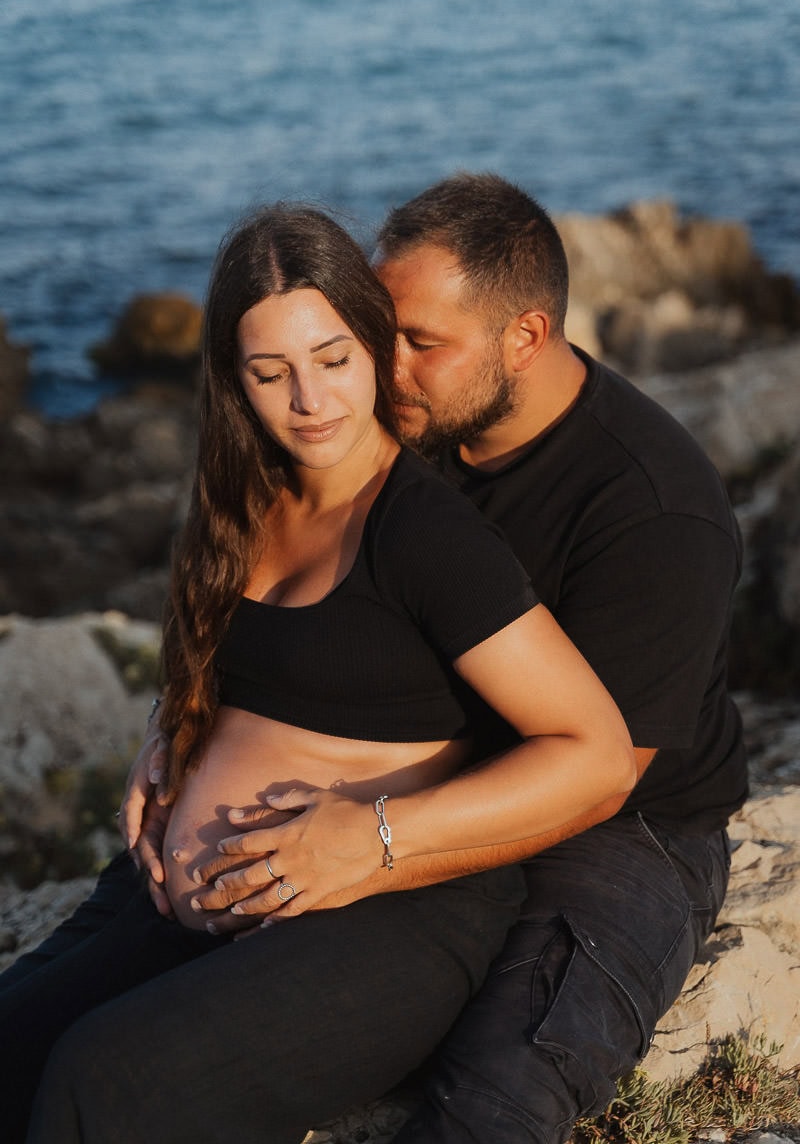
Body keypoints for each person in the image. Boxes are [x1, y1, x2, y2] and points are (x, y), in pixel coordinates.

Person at [0, 202, 635, 1143]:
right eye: (271, 373)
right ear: (234, 379)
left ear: (373, 347)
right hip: (176, 905)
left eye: (333, 359)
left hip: (387, 921)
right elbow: (241, 667)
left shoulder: (426, 537)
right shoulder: (236, 501)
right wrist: (170, 734)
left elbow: (597, 756)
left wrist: (372, 836)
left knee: (103, 1081)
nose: (311, 400)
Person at [160, 175, 748, 1144]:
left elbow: (599, 779)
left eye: (422, 344)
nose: (385, 370)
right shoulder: (411, 428)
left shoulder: (652, 510)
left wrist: (374, 838)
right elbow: (267, 591)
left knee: (493, 1093)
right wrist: (180, 731)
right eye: (379, 332)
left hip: (622, 829)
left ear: (525, 336)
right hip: (424, 776)